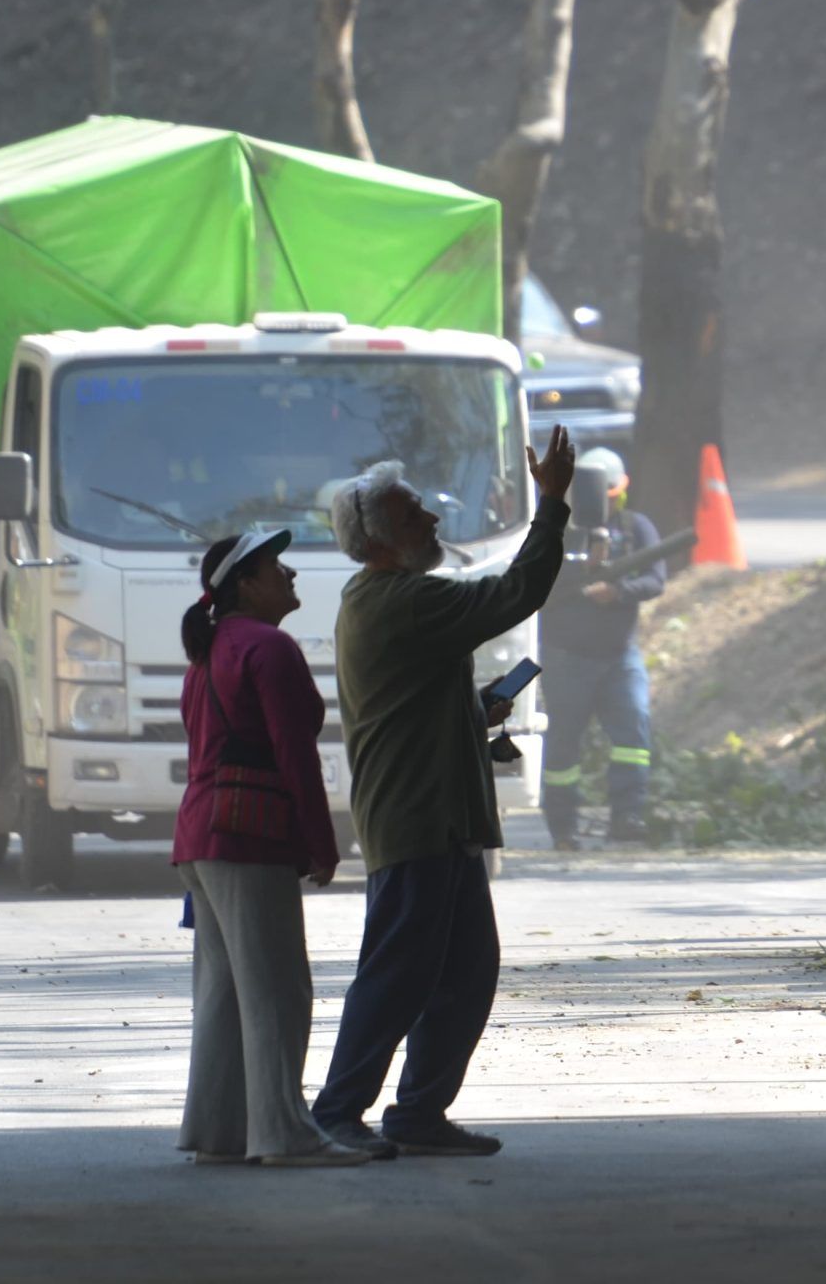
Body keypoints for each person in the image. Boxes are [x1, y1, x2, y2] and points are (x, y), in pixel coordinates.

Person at [309, 425, 577, 1160]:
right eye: (414, 513)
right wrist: (551, 503)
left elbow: (413, 700)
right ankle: (337, 1108)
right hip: (417, 820)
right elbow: (518, 590)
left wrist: (473, 709)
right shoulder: (401, 600)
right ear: (379, 538)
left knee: (462, 970)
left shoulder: (384, 597)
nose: (432, 519)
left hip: (440, 820)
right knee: (399, 973)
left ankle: (418, 1111)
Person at [172, 529, 371, 1168]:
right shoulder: (269, 647)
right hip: (249, 831)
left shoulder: (209, 653)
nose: (288, 574)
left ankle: (221, 1131)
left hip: (201, 836)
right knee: (278, 989)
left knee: (226, 990)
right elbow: (295, 755)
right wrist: (322, 840)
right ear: (244, 585)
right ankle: (284, 1134)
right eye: (273, 567)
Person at [539, 448, 668, 851]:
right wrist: (581, 569)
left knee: (633, 730)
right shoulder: (555, 531)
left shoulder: (636, 528)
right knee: (563, 742)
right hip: (566, 658)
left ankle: (628, 816)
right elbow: (535, 583)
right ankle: (563, 826)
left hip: (619, 656)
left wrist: (619, 592)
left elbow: (655, 580)